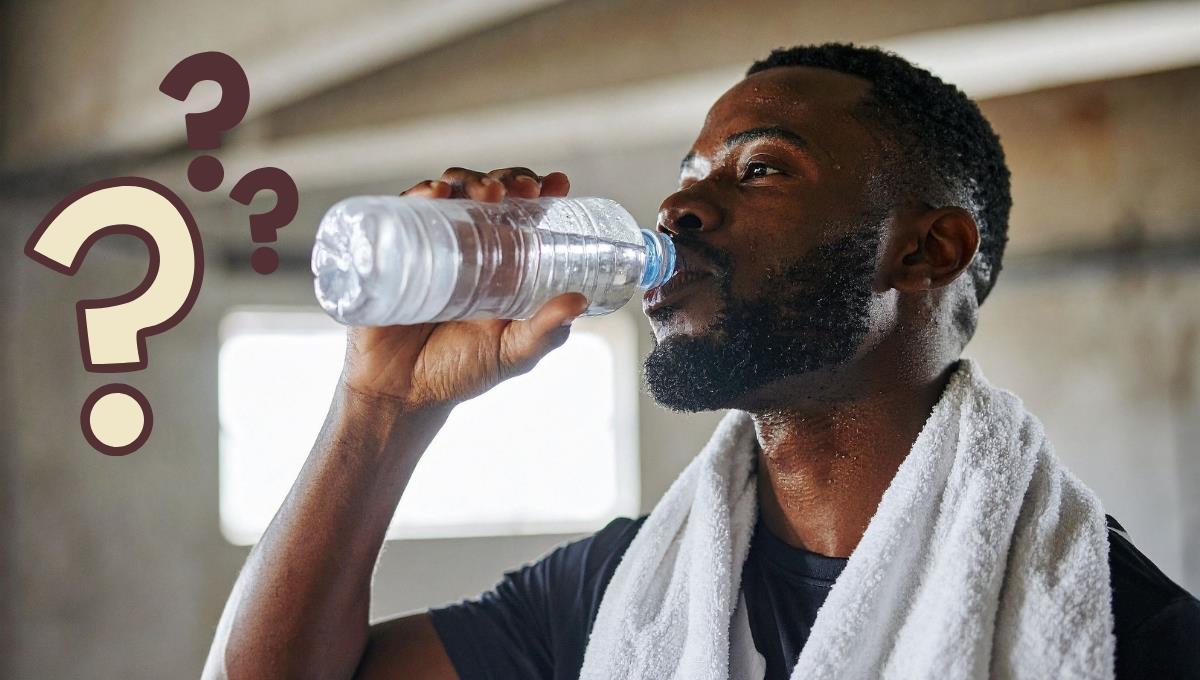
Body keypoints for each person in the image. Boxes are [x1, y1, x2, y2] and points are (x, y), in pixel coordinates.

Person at [202, 43, 1200, 679]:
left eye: (760, 167)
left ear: (927, 249)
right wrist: (381, 403)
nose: (678, 209)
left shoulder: (1121, 633)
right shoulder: (618, 593)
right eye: (686, 177)